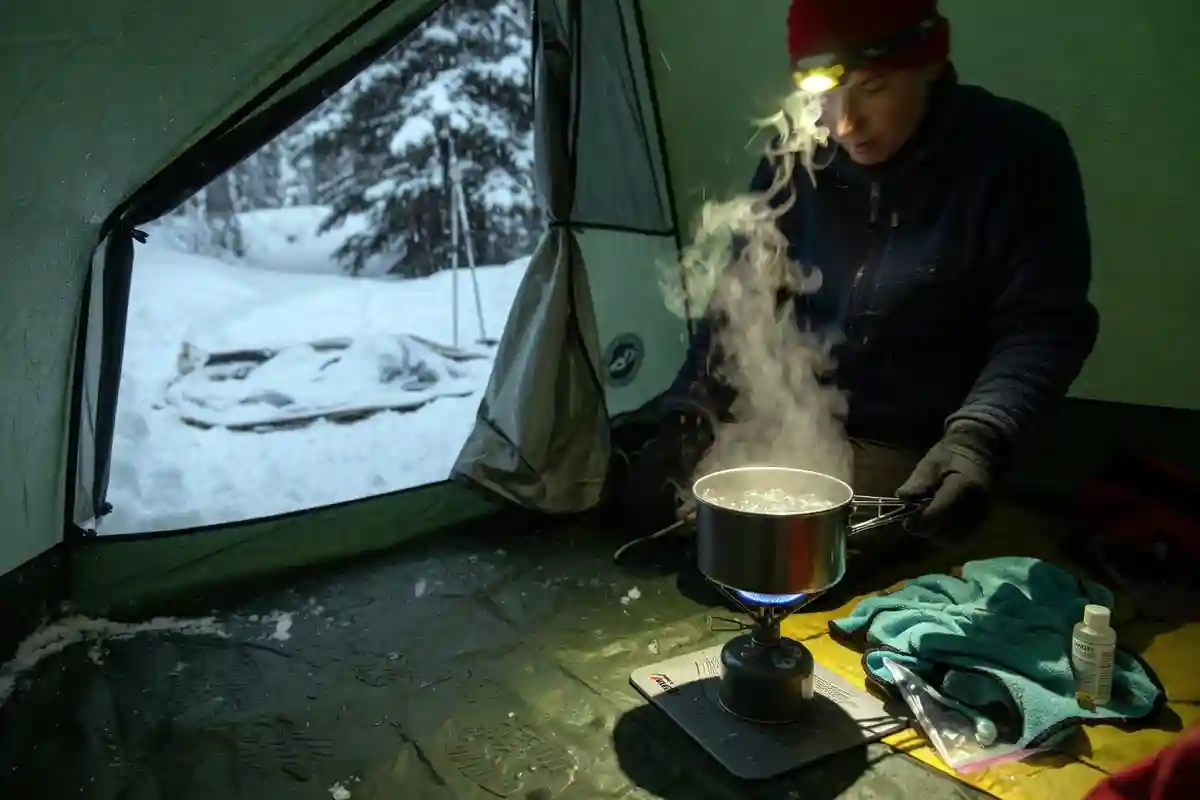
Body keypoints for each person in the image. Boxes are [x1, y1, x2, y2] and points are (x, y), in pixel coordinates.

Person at [615, 0, 1099, 549]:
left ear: (929, 65)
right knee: (647, 499)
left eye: (873, 88)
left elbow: (1043, 324)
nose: (844, 123)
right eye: (823, 93)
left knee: (796, 546)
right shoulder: (797, 157)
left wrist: (979, 440)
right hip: (795, 417)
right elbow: (739, 302)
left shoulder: (1017, 154)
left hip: (917, 443)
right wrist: (686, 415)